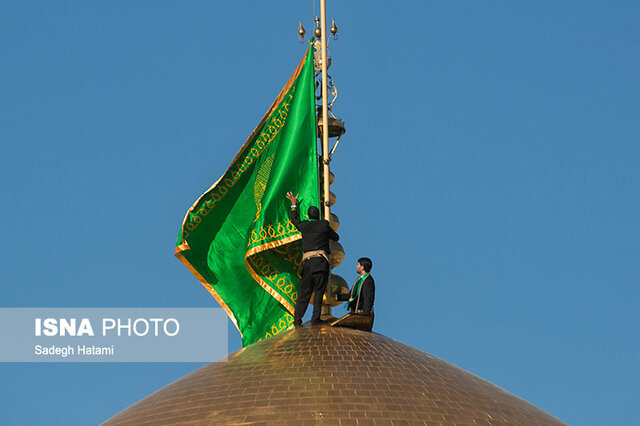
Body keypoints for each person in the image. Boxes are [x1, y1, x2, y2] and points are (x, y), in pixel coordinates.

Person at [286, 191, 339, 326]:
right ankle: (316, 318)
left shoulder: (305, 225)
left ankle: (297, 319)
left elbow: (294, 220)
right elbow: (336, 237)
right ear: (318, 216)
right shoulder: (323, 225)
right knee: (319, 291)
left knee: (304, 293)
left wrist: (294, 205)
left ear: (308, 216)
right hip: (320, 263)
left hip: (308, 264)